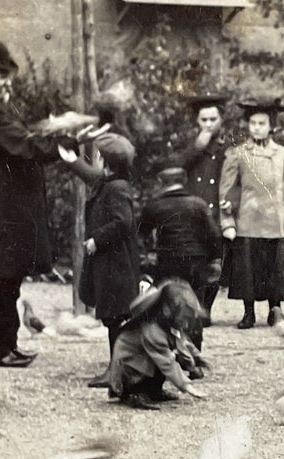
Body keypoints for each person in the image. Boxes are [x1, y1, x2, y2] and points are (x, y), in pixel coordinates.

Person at [0, 37, 78, 367]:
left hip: (7, 208)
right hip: (4, 209)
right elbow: (25, 146)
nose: (8, 83)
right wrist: (64, 139)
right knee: (5, 281)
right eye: (1, 75)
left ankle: (6, 344)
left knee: (9, 281)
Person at [58, 132, 140, 387]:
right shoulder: (113, 182)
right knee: (113, 318)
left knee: (115, 318)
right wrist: (72, 158)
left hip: (116, 264)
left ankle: (116, 372)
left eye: (97, 156)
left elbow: (123, 222)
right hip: (112, 263)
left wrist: (97, 239)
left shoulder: (116, 188)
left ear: (106, 161)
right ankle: (116, 369)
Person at [219, 96, 284, 329]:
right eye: (252, 123)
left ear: (271, 126)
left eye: (261, 123)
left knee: (275, 268)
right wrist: (228, 222)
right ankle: (248, 313)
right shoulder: (237, 153)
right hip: (248, 219)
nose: (256, 128)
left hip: (275, 220)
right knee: (247, 268)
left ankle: (275, 312)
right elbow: (227, 190)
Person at [139, 163, 222, 349]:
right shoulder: (198, 204)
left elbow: (141, 232)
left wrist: (149, 254)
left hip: (168, 261)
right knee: (194, 306)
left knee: (167, 306)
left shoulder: (155, 207)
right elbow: (214, 235)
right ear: (183, 182)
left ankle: (171, 350)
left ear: (161, 183)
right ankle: (195, 352)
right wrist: (215, 259)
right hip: (197, 261)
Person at [107, 278, 208, 410]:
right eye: (183, 318)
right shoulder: (152, 329)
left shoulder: (167, 323)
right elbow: (166, 361)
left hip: (142, 364)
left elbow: (182, 341)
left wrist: (195, 357)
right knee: (163, 359)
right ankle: (133, 393)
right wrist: (186, 385)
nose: (186, 324)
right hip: (127, 370)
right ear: (167, 310)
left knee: (163, 359)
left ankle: (153, 391)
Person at [183, 94, 230, 325]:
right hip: (194, 214)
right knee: (194, 262)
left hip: (217, 214)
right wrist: (197, 147)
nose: (209, 124)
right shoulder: (191, 145)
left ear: (221, 120)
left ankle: (206, 308)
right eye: (204, 120)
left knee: (214, 264)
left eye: (213, 119)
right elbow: (179, 167)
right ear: (197, 122)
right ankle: (194, 306)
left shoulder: (228, 147)